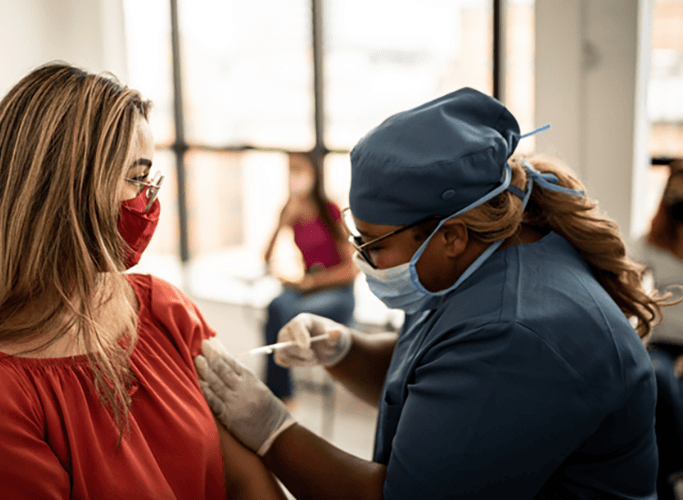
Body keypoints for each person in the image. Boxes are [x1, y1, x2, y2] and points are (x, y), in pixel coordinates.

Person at [196, 87, 669, 499]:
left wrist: (271, 430)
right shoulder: (476, 259)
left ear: (451, 235)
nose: (364, 261)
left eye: (375, 245)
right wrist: (343, 350)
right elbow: (434, 375)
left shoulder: (516, 333)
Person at [0, 63, 285, 499]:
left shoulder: (164, 310)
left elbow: (247, 479)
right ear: (64, 189)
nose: (149, 200)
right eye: (136, 178)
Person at [260, 152, 357, 402]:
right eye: (290, 170)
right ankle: (281, 393)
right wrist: (282, 222)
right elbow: (266, 257)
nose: (294, 176)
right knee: (276, 306)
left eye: (299, 169)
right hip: (308, 288)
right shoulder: (290, 211)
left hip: (338, 292)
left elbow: (351, 269)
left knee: (285, 313)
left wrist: (311, 282)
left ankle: (279, 394)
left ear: (314, 174)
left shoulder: (330, 211)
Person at [630, 159, 683, 499]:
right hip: (661, 345)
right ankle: (674, 474)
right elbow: (628, 286)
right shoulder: (648, 244)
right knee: (659, 376)